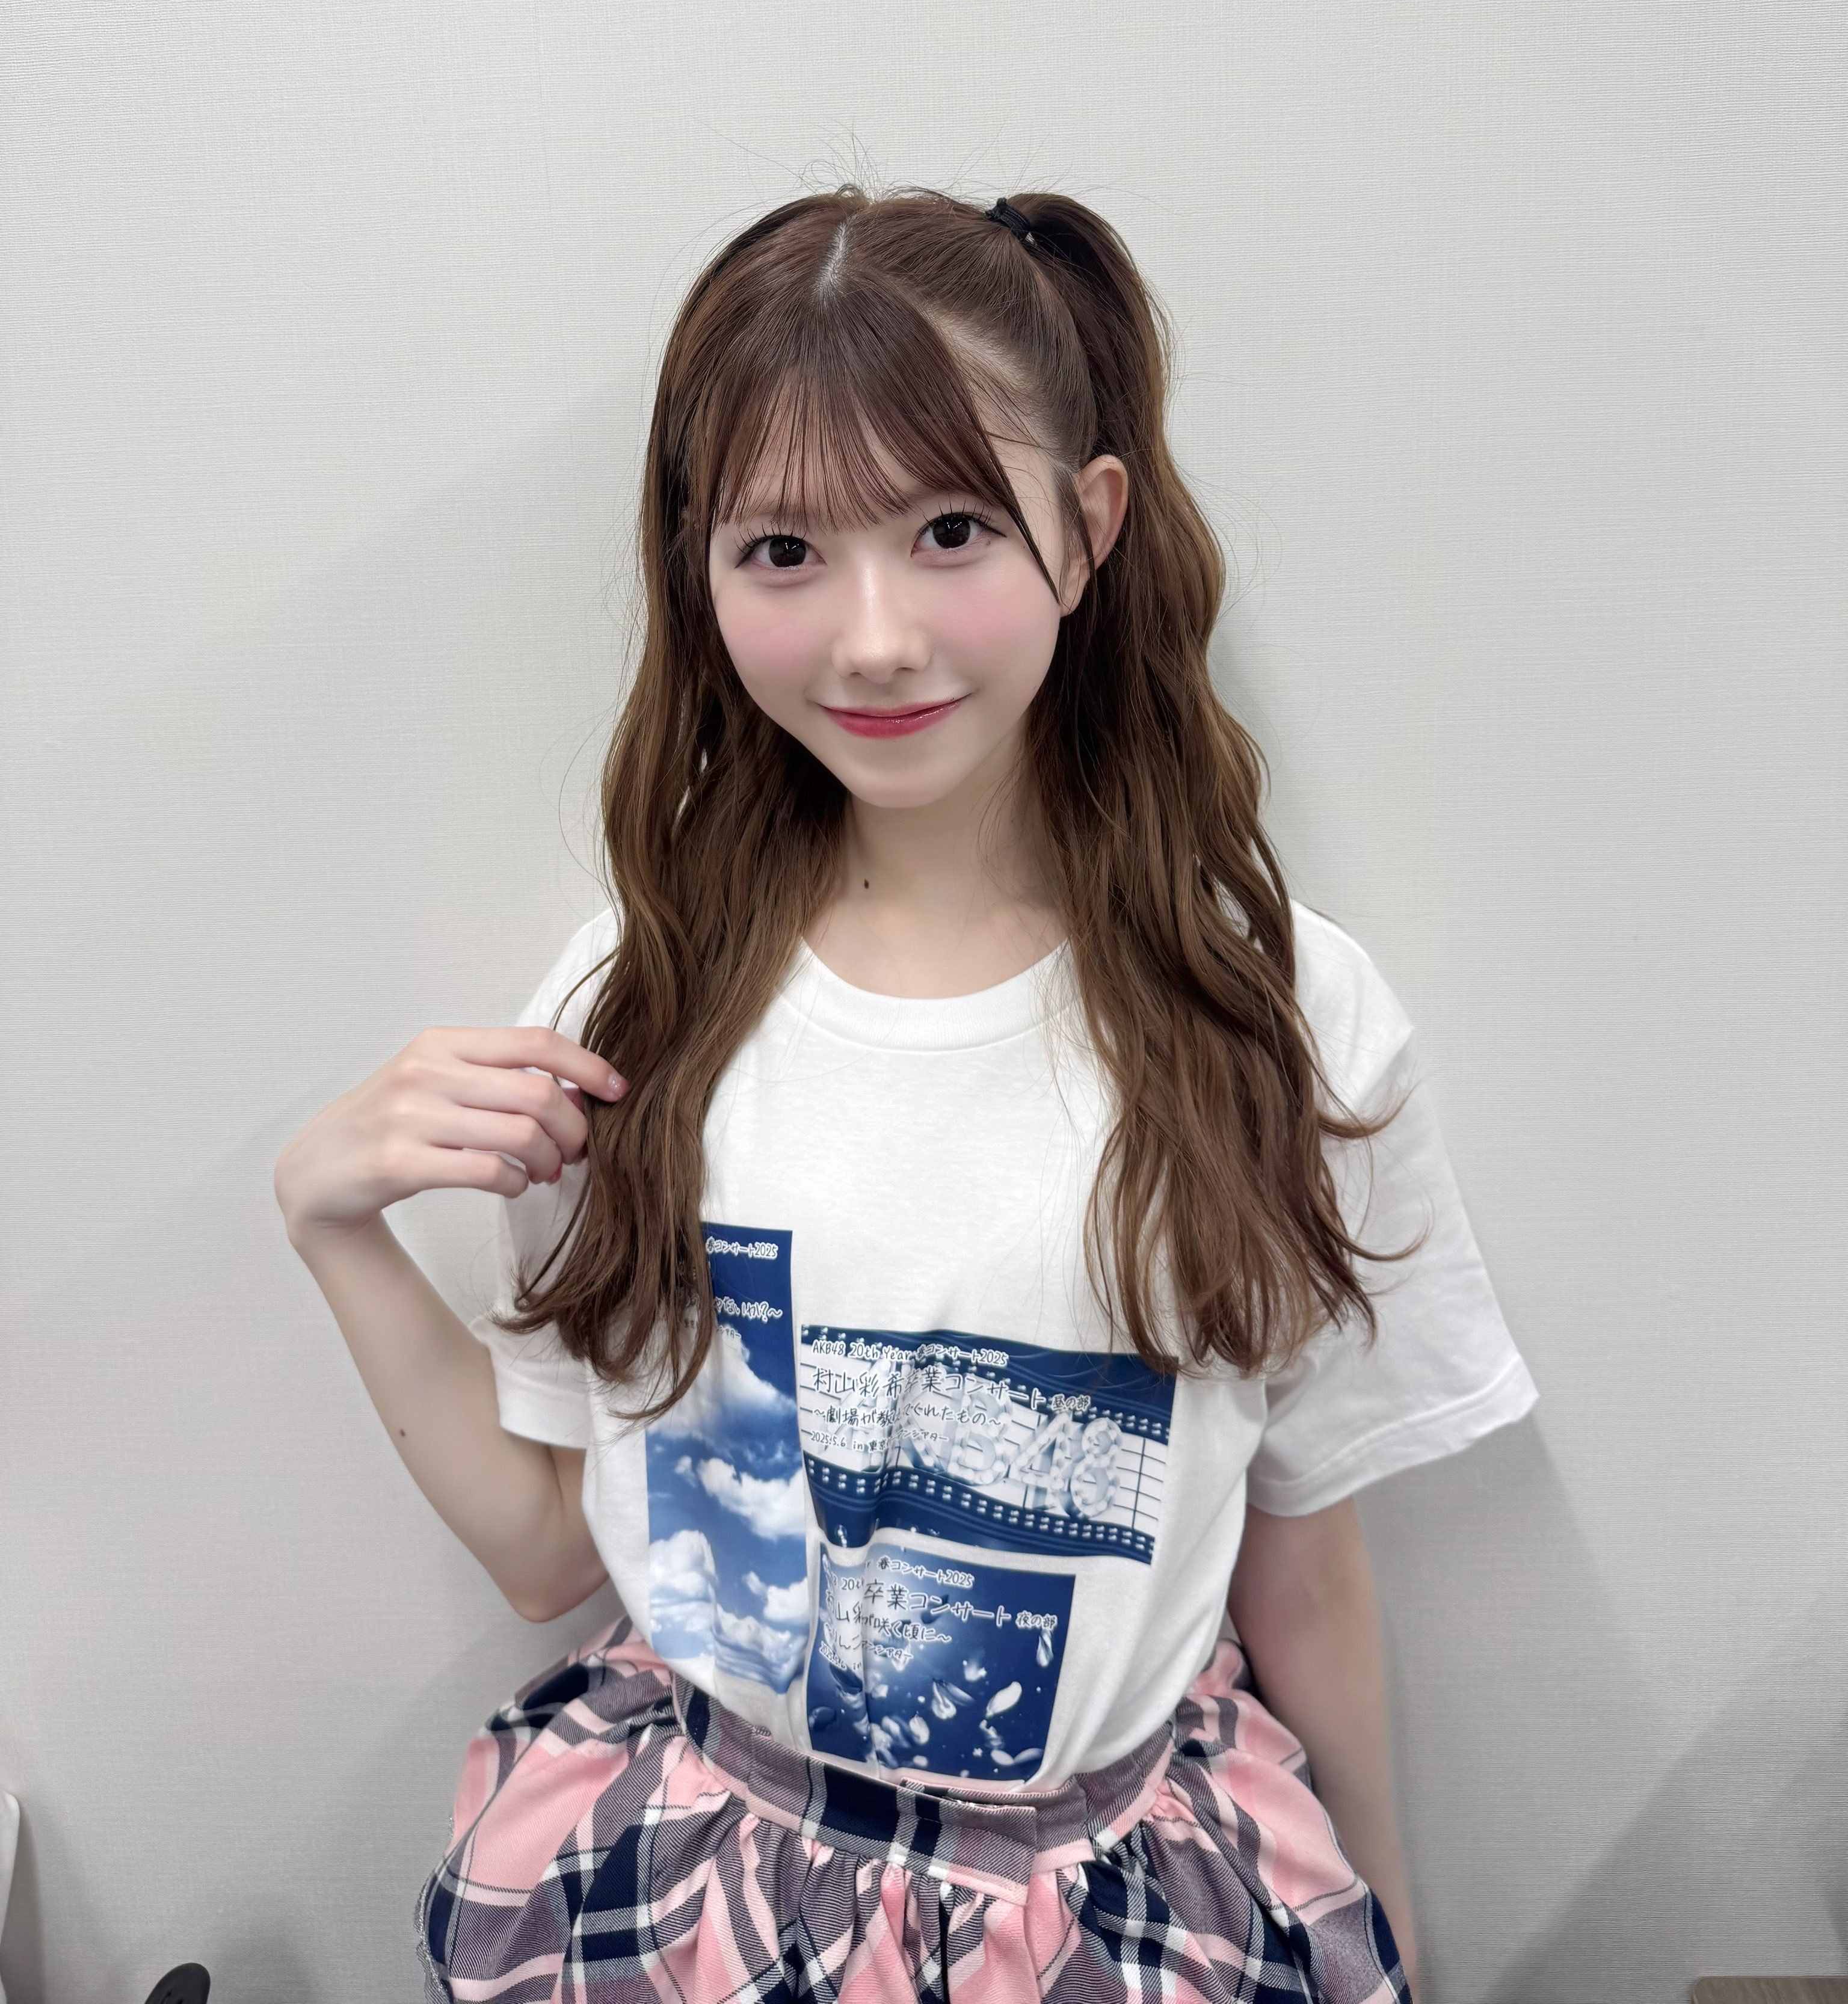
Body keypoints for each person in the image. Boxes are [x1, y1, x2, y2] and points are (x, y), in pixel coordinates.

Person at [274, 188, 1536, 2003]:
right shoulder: (638, 1009)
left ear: (1089, 528)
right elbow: (559, 1549)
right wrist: (333, 1225)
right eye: (784, 549)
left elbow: (1304, 1559)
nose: (873, 639)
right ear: (700, 573)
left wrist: (1390, 1937)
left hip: (1123, 1904)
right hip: (693, 1886)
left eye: (951, 529)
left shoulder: (1283, 1020)